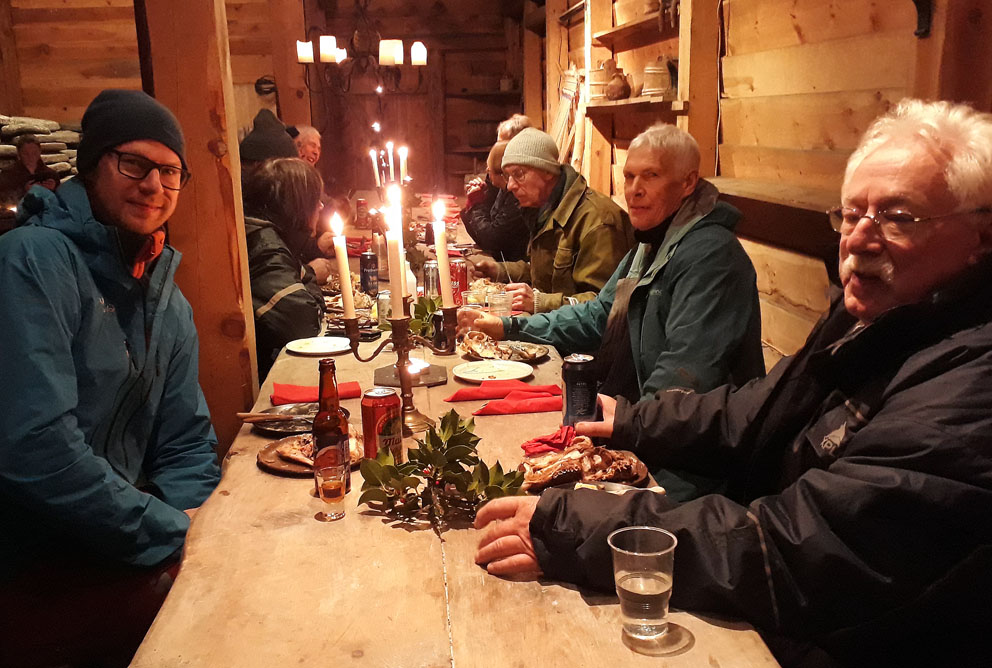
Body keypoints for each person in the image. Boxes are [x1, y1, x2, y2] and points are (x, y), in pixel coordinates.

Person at [473, 99, 992, 668]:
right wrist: (630, 419)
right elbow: (755, 409)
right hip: (762, 562)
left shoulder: (969, 387)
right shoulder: (874, 318)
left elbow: (798, 549)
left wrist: (581, 529)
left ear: (981, 235)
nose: (860, 239)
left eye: (899, 217)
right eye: (850, 215)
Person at [0, 89, 221, 665]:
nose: (154, 185)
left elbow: (186, 441)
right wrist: (168, 531)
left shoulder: (167, 301)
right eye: (134, 164)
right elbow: (36, 447)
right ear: (92, 165)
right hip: (31, 562)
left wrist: (192, 534)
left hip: (115, 544)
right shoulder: (32, 260)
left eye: (170, 172)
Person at [459, 123, 764, 403]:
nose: (634, 189)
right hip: (646, 415)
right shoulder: (649, 246)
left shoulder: (710, 256)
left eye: (651, 175)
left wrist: (624, 422)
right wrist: (509, 327)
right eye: (629, 177)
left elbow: (685, 379)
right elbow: (598, 315)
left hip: (695, 437)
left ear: (687, 183)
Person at [472, 127, 634, 313]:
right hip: (555, 325)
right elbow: (545, 273)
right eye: (508, 176)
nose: (509, 186)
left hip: (580, 332)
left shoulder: (598, 222)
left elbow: (602, 305)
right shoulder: (544, 210)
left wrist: (540, 302)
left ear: (547, 171)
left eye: (519, 174)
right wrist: (499, 270)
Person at [242, 158, 327, 380]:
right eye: (315, 200)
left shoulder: (269, 236)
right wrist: (309, 276)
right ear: (298, 206)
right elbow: (304, 325)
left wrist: (304, 274)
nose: (321, 207)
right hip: (258, 375)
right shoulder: (266, 247)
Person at [239, 110, 334, 282]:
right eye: (311, 145)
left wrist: (315, 248)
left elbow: (291, 247)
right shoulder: (254, 223)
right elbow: (274, 278)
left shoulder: (274, 213)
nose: (315, 152)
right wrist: (308, 273)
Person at [460, 139, 533, 261]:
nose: (488, 176)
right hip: (506, 262)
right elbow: (482, 237)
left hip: (515, 265)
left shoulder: (516, 199)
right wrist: (480, 198)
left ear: (502, 174)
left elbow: (491, 240)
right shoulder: (502, 191)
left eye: (489, 171)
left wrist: (476, 205)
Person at [0, 134, 59, 203]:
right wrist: (24, 191)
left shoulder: (51, 175)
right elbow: (3, 199)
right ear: (19, 153)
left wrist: (54, 189)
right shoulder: (8, 174)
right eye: (25, 153)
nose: (30, 157)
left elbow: (60, 201)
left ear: (40, 151)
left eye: (34, 153)